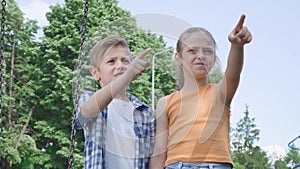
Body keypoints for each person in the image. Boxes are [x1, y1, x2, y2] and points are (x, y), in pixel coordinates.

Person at [149, 14, 252, 169]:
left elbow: (234, 73)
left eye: (208, 51)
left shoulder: (220, 92)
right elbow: (159, 151)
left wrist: (237, 46)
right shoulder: (165, 102)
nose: (201, 56)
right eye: (192, 51)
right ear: (178, 57)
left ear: (214, 58)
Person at [75, 35, 155, 169]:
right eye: (111, 61)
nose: (120, 66)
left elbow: (151, 155)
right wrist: (127, 75)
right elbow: (85, 114)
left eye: (125, 61)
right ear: (95, 73)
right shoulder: (90, 98)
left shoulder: (145, 111)